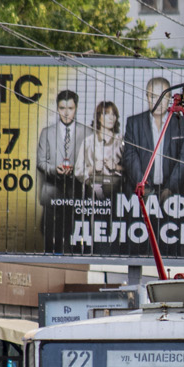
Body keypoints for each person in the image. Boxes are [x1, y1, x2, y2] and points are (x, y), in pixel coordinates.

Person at [35, 89, 92, 252]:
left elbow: (91, 163)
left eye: (70, 108)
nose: (66, 113)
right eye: (62, 108)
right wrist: (54, 169)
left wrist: (77, 169)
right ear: (57, 108)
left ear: (76, 108)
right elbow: (40, 162)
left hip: (77, 192)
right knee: (49, 235)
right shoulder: (47, 133)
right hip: (52, 191)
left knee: (72, 235)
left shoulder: (87, 132)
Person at [122, 76, 184, 197]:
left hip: (175, 194)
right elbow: (130, 157)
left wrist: (170, 188)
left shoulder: (182, 123)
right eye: (153, 96)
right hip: (140, 194)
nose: (158, 101)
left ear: (169, 98)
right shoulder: (134, 123)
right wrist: (143, 186)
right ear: (147, 97)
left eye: (163, 96)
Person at [74, 99, 123, 200]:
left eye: (114, 114)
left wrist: (116, 167)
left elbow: (131, 169)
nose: (111, 118)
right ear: (99, 117)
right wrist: (93, 168)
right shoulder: (88, 142)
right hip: (93, 194)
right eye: (106, 114)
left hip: (117, 193)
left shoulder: (121, 141)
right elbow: (78, 171)